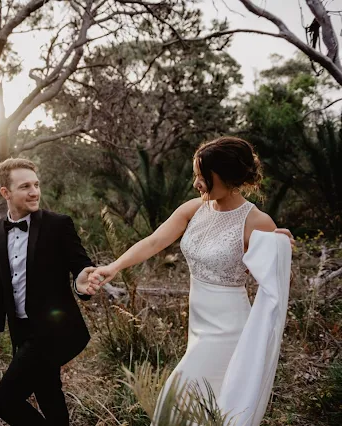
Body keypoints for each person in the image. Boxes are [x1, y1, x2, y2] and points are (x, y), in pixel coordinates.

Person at [87, 136, 295, 423]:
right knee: (203, 405)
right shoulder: (194, 209)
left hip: (228, 329)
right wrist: (115, 266)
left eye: (202, 176)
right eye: (195, 175)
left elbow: (275, 284)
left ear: (227, 175)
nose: (196, 183)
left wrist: (279, 248)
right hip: (199, 325)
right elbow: (153, 241)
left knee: (179, 399)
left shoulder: (257, 221)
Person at [0, 158, 97, 426]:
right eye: (25, 186)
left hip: (54, 331)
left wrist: (82, 280)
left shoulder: (57, 224)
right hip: (21, 331)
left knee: (6, 401)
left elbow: (80, 264)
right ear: (6, 193)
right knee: (48, 391)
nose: (34, 192)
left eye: (36, 184)